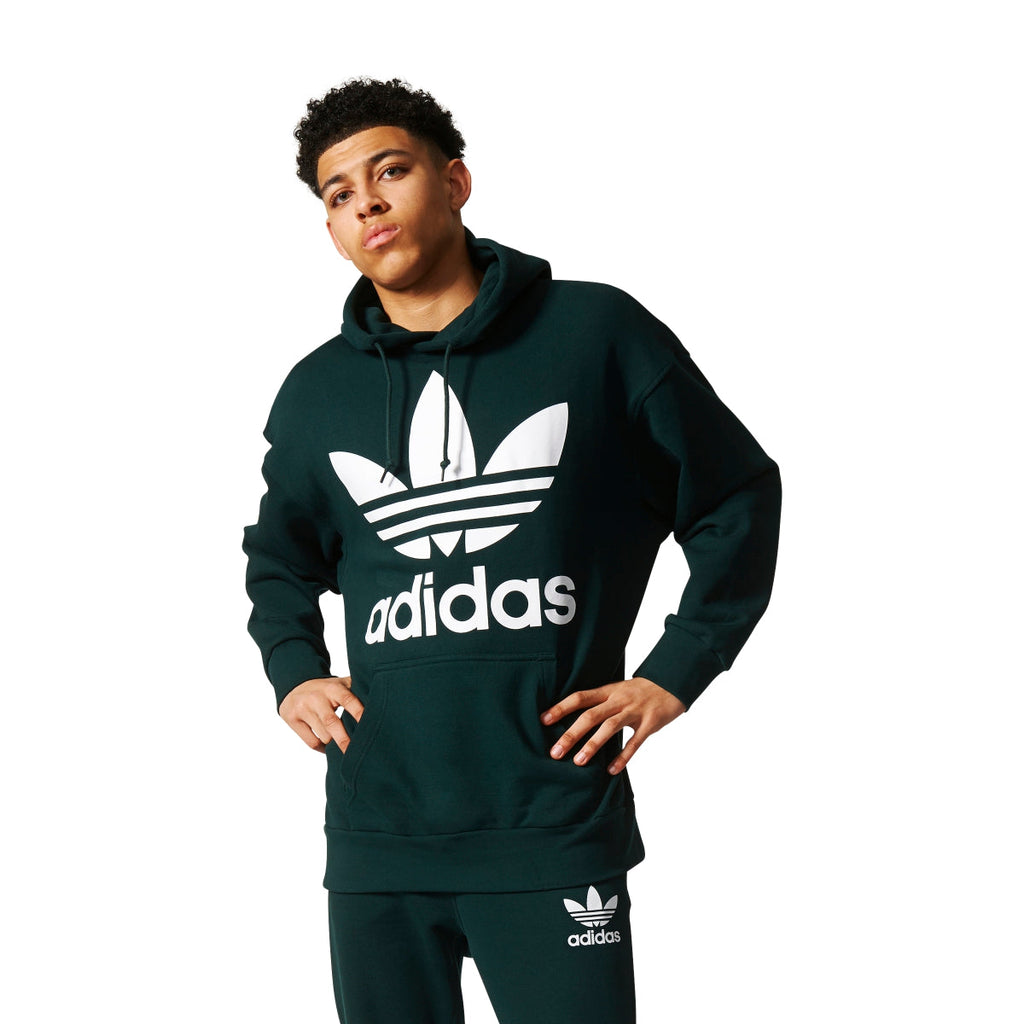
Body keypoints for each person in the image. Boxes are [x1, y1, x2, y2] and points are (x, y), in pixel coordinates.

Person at [243, 77, 781, 1024]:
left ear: (455, 181)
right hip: (379, 833)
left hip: (551, 821)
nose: (366, 202)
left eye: (390, 171)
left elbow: (736, 493)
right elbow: (280, 559)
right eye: (338, 193)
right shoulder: (315, 391)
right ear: (329, 227)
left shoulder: (595, 334)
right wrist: (294, 668)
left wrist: (676, 670)